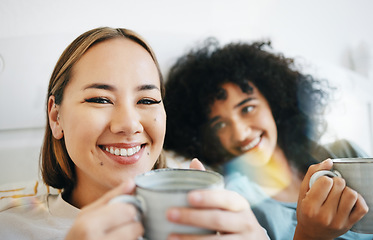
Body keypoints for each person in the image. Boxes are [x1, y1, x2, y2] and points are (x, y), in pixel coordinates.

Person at [0, 27, 270, 240]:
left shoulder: (224, 223)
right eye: (101, 99)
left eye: (147, 100)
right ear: (56, 116)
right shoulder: (10, 229)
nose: (129, 125)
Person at [163, 38, 371, 240]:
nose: (241, 133)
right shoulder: (235, 203)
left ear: (274, 102)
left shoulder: (346, 153)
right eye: (220, 124)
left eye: (248, 108)